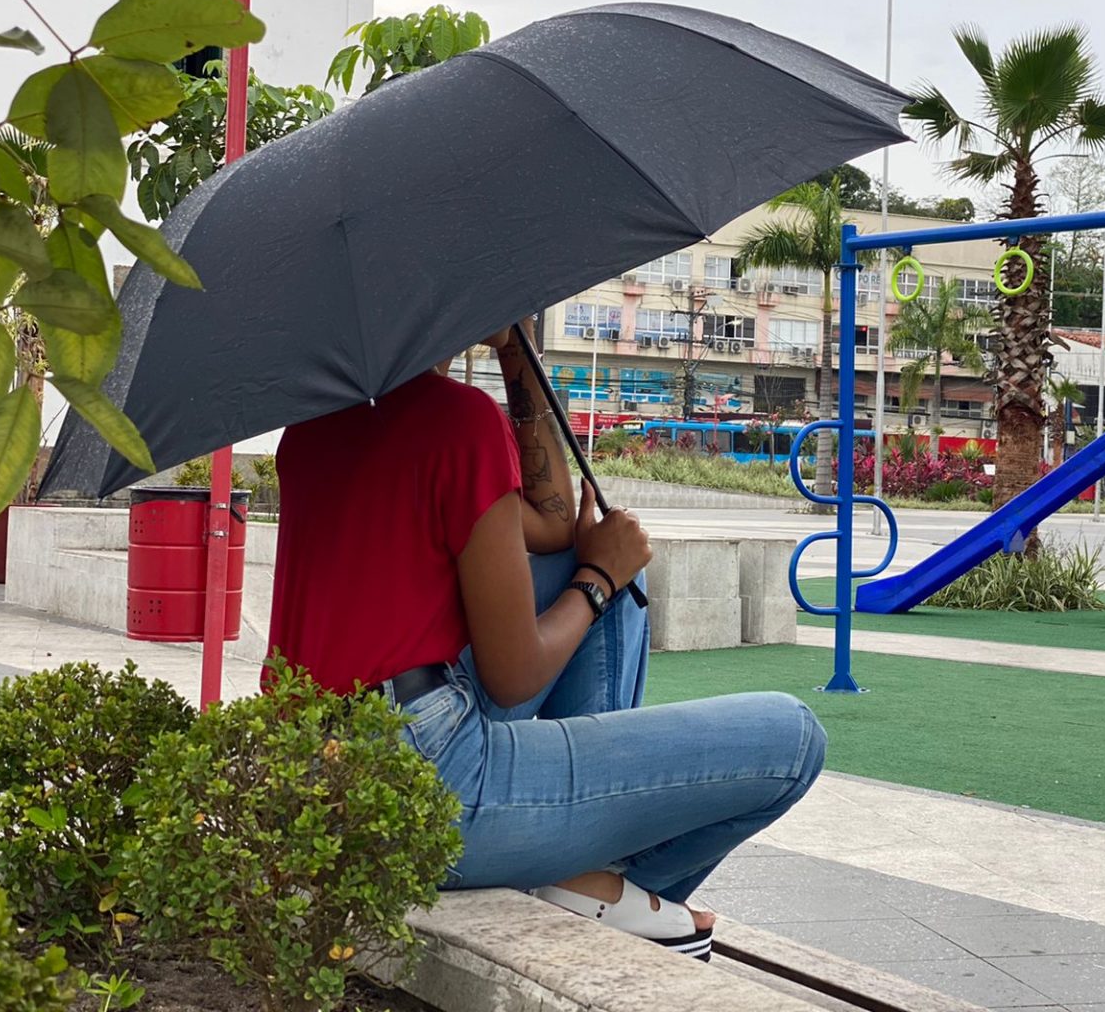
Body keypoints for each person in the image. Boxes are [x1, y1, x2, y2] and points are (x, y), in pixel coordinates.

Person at [267, 319, 825, 961]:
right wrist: (598, 580)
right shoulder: (454, 419)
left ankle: (576, 874)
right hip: (428, 773)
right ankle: (591, 885)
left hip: (318, 760)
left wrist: (517, 354)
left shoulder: (312, 428)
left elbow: (558, 525)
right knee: (793, 737)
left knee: (591, 572)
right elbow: (513, 673)